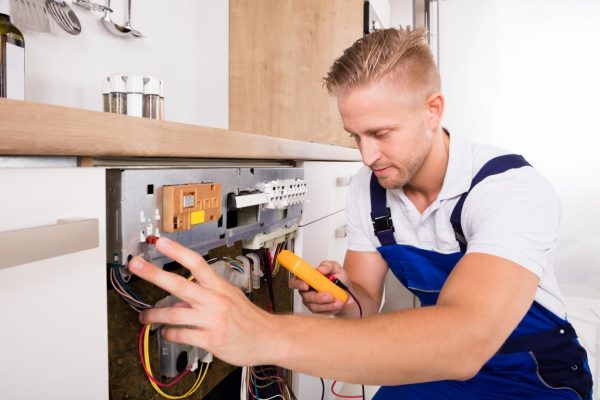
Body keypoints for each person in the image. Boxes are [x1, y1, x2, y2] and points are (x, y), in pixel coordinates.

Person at [130, 27, 593, 399]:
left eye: (381, 132)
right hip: (433, 364)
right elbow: (362, 306)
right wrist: (339, 296)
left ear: (433, 110)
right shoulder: (367, 189)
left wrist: (266, 334)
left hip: (533, 371)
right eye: (355, 136)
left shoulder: (508, 188)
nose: (367, 156)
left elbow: (465, 339)